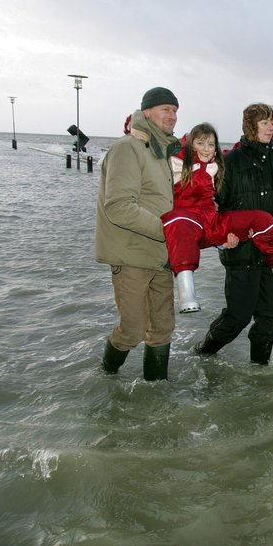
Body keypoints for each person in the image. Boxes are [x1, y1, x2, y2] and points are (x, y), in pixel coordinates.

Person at [194, 103, 273, 365]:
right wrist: (225, 236)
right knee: (237, 317)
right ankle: (201, 355)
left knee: (270, 319)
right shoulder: (229, 162)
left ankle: (259, 375)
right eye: (264, 122)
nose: (271, 127)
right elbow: (216, 206)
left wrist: (266, 228)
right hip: (241, 253)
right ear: (250, 126)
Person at [161, 122, 273, 314]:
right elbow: (155, 152)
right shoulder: (176, 161)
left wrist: (252, 139)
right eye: (200, 143)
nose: (206, 149)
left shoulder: (216, 164)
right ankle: (187, 294)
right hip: (187, 225)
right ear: (191, 143)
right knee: (178, 220)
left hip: (212, 224)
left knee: (263, 219)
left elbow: (238, 153)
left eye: (211, 144)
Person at [94, 87, 181, 381]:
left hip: (161, 257)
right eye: (165, 109)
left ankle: (156, 399)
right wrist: (168, 232)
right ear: (146, 113)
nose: (172, 115)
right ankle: (105, 377)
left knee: (163, 329)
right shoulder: (128, 148)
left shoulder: (162, 152)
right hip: (131, 254)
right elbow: (118, 206)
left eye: (175, 110)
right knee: (132, 330)